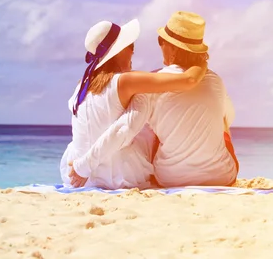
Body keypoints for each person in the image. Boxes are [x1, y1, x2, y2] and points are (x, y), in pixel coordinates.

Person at [69, 11, 239, 188]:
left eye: (161, 41)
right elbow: (227, 115)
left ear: (172, 47)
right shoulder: (215, 80)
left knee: (153, 123)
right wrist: (201, 63)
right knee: (222, 122)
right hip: (221, 177)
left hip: (167, 178)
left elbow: (124, 127)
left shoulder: (84, 86)